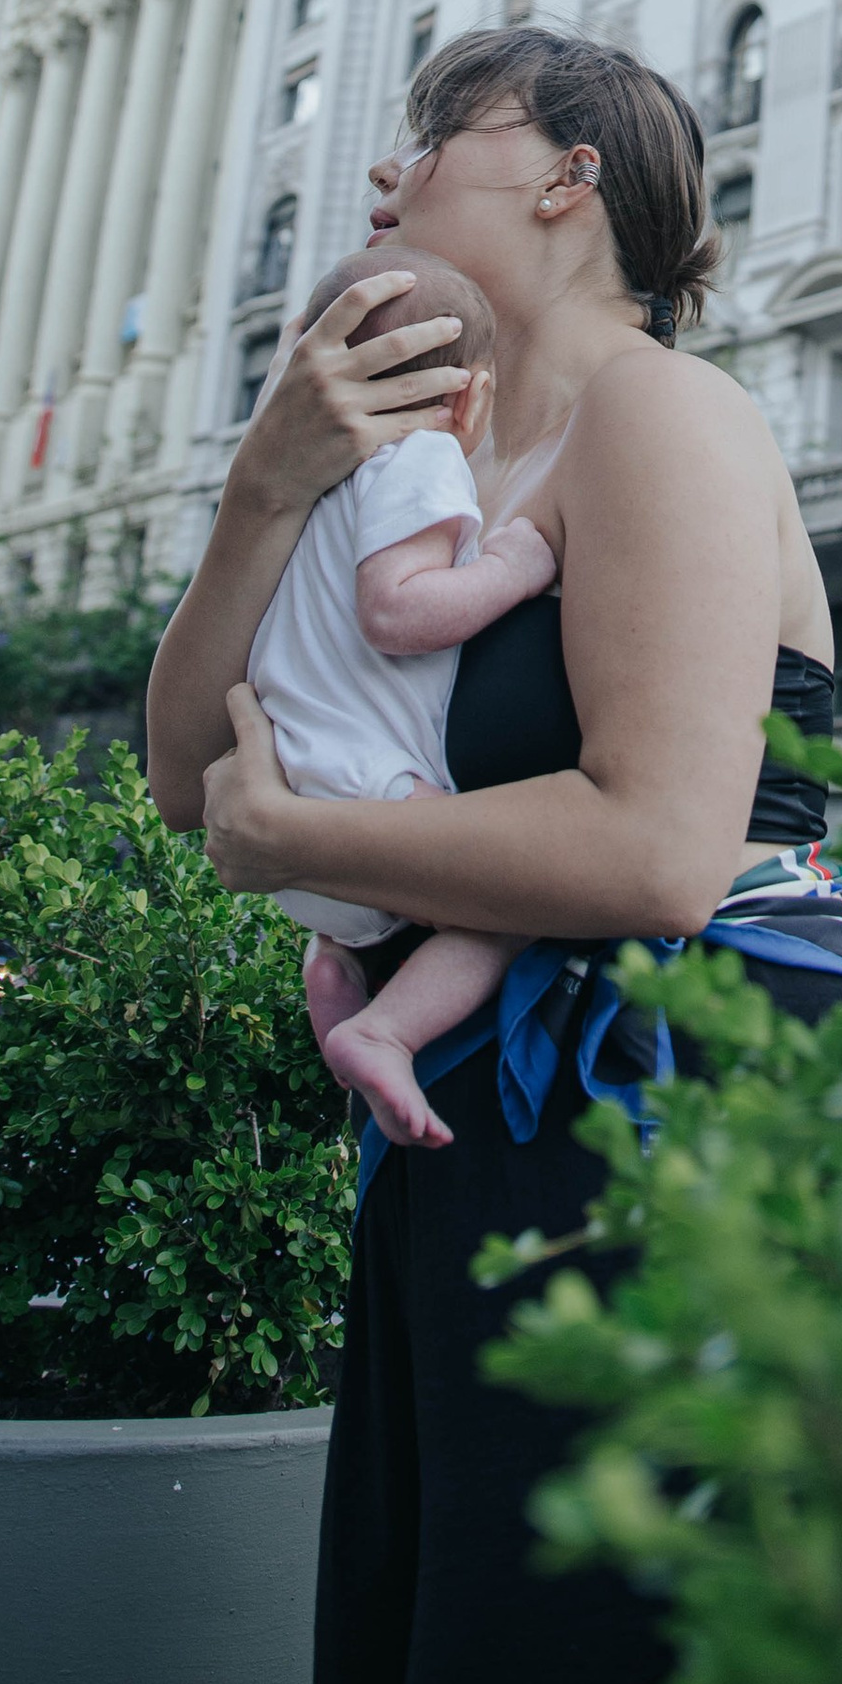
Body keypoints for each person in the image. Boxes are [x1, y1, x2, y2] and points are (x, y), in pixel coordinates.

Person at [147, 26, 842, 1684]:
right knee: (426, 1664)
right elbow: (183, 769)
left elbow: (654, 847)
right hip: (468, 1133)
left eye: (429, 142)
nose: (384, 185)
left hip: (657, 1115)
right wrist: (267, 482)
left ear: (568, 172)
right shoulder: (431, 449)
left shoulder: (662, 412)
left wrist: (305, 845)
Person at [245, 243, 559, 1148]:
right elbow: (397, 609)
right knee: (511, 901)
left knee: (352, 935)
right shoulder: (419, 456)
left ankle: (334, 967)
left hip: (293, 769)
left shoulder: (308, 481)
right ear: (470, 397)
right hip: (363, 783)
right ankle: (382, 1029)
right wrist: (510, 567)